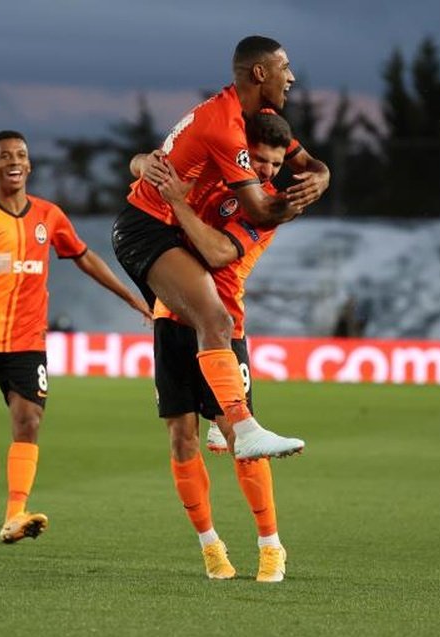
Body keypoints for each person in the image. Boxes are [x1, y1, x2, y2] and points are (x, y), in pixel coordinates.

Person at [0, 130, 151, 544]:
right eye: (5, 156)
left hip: (27, 343)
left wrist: (131, 297)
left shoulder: (49, 216)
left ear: (30, 165)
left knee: (29, 420)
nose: (14, 161)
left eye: (21, 154)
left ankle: (14, 515)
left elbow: (85, 257)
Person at [112, 35, 329, 461]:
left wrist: (323, 175)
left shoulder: (256, 116)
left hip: (168, 228)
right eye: (284, 67)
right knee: (215, 317)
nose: (292, 77)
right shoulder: (226, 127)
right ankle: (241, 427)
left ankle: (220, 426)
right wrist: (298, 203)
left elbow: (309, 165)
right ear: (260, 73)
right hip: (145, 231)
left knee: (208, 319)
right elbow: (261, 209)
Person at [146, 112, 302, 582]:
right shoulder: (209, 175)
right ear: (240, 154)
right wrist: (147, 166)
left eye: (276, 164)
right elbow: (151, 167)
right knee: (180, 437)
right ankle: (210, 545)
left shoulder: (269, 207)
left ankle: (271, 546)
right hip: (170, 318)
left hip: (222, 328)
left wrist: (180, 203)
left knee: (243, 440)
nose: (269, 172)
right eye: (260, 160)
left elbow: (216, 252)